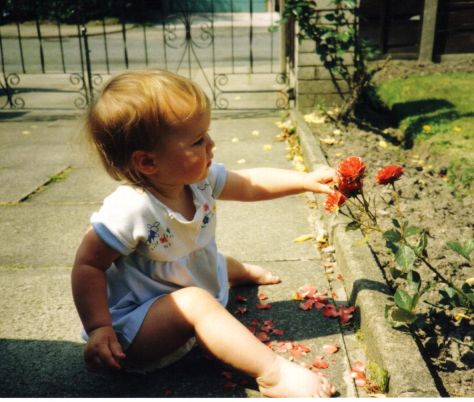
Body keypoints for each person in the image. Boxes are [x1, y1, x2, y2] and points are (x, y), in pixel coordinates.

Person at [72, 69, 337, 398]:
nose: (211, 144)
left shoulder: (198, 179)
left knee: (208, 258)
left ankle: (236, 273)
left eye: (206, 133)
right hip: (139, 328)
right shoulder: (129, 210)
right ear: (148, 161)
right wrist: (99, 328)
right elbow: (88, 264)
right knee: (197, 301)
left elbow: (251, 184)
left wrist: (305, 180)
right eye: (197, 140)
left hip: (180, 282)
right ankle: (273, 374)